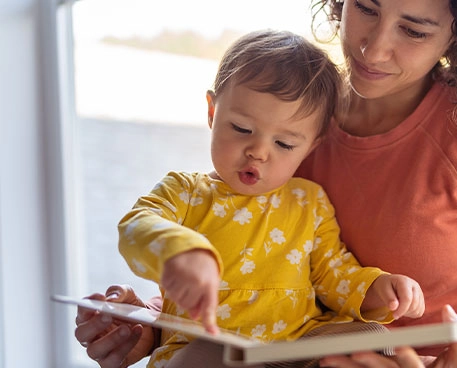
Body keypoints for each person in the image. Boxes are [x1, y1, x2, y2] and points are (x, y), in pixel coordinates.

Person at [74, 0, 457, 367]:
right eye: (365, 6)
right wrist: (148, 327)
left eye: (413, 29)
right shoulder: (290, 120)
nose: (373, 46)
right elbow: (250, 267)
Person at [92, 29, 426, 368]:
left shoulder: (309, 201)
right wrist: (179, 250)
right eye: (241, 128)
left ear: (312, 145)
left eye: (284, 144)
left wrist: (378, 289)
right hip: (210, 341)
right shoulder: (186, 192)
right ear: (212, 112)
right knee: (207, 357)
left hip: (298, 341)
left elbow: (333, 273)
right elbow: (136, 225)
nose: (258, 152)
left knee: (374, 338)